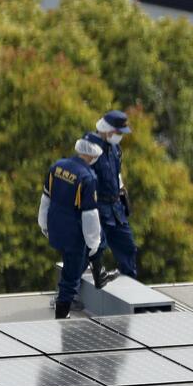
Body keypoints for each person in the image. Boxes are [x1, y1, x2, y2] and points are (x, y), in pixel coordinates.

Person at [38, 138, 104, 319]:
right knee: (71, 277)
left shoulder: (58, 167)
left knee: (97, 242)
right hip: (74, 235)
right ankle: (62, 314)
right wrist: (93, 244)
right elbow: (89, 215)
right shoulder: (87, 178)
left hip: (55, 227)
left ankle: (98, 271)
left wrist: (43, 223)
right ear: (92, 155)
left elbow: (46, 199)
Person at [83, 110, 137, 281]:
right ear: (108, 130)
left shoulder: (115, 149)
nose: (120, 136)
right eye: (118, 133)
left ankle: (130, 282)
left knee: (128, 246)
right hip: (96, 207)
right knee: (91, 249)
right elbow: (82, 178)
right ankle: (70, 293)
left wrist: (122, 192)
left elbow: (116, 174)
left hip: (115, 208)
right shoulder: (89, 148)